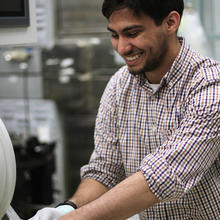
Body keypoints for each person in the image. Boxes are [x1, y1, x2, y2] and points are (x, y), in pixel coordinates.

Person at [30, 0, 220, 219]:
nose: (122, 48)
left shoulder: (210, 85)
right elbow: (105, 170)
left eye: (132, 33)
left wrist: (77, 218)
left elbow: (166, 175)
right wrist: (68, 208)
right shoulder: (120, 85)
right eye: (114, 35)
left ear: (170, 22)